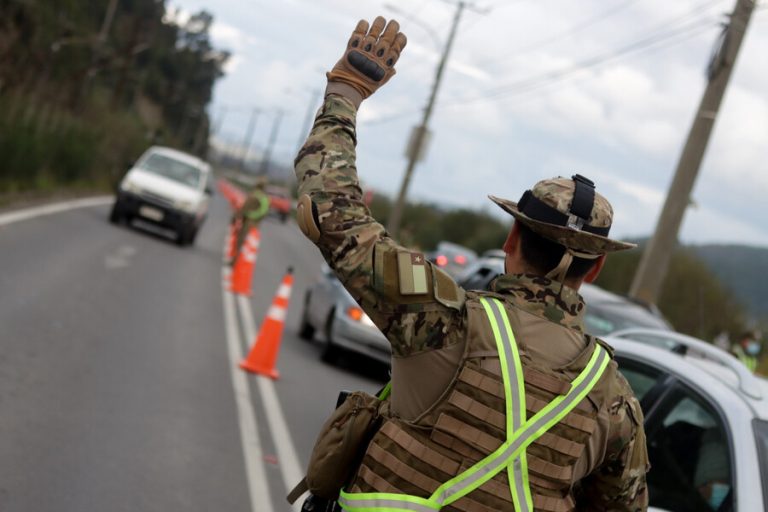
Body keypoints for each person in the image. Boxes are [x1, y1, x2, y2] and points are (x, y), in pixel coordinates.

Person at [294, 16, 649, 511]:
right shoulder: (615, 402)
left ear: (510, 239)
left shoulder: (440, 317)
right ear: (594, 271)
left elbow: (332, 208)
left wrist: (346, 91)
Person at [230, 176, 270, 265]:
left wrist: (236, 217)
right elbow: (264, 212)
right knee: (249, 245)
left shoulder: (254, 195)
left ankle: (235, 261)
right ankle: (242, 262)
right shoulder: (264, 198)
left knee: (241, 241)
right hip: (255, 224)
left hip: (248, 222)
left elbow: (244, 208)